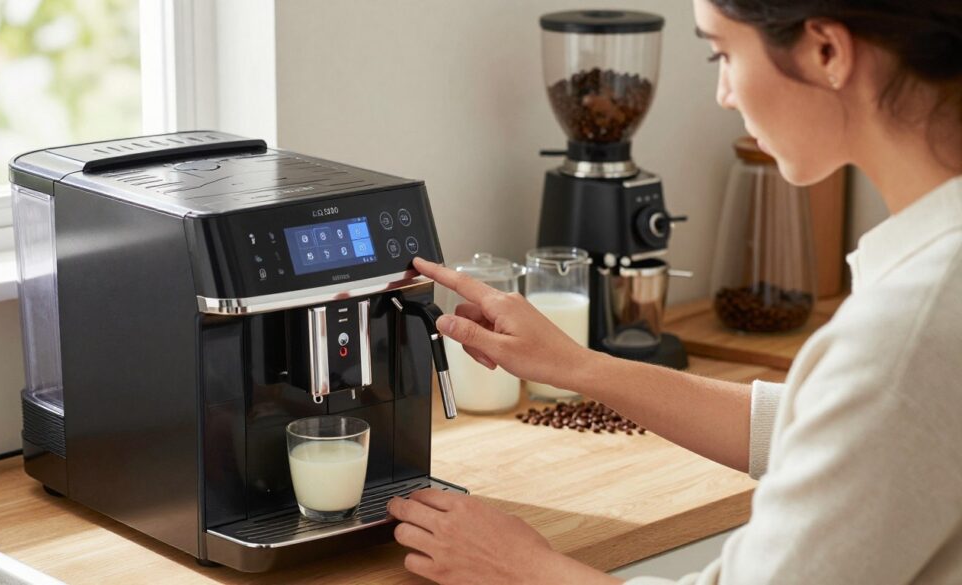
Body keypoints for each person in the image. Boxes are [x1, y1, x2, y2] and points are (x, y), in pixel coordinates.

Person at [386, 0, 962, 583]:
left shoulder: (908, 331)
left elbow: (875, 402)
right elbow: (826, 428)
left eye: (723, 54)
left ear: (826, 52)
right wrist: (579, 367)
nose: (724, 94)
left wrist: (525, 568)